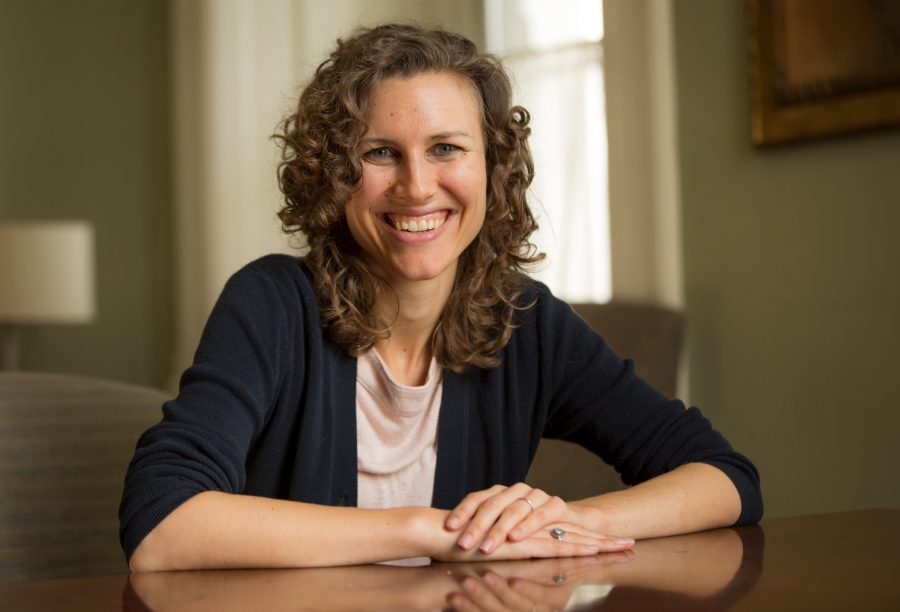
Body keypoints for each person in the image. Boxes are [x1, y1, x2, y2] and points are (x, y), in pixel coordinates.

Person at [120, 23, 762, 571]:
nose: (417, 186)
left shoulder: (526, 323)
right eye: (379, 153)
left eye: (447, 148)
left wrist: (557, 519)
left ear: (493, 167)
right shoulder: (269, 305)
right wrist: (434, 529)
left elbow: (726, 478)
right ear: (336, 175)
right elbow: (160, 524)